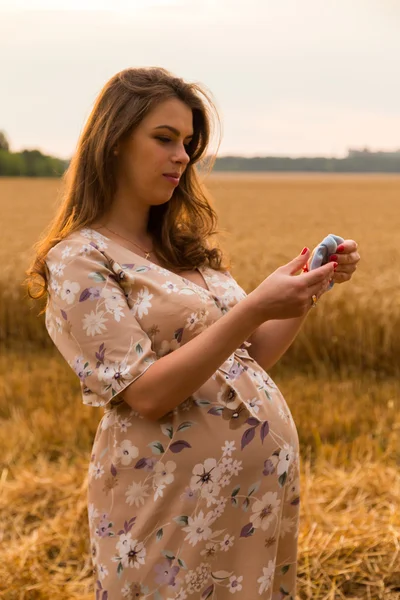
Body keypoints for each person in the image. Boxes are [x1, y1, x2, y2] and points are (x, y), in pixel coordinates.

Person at [26, 67, 360, 600]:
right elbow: (149, 394)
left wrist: (305, 288)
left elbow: (247, 362)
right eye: (164, 139)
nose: (182, 155)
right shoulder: (79, 259)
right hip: (168, 508)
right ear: (112, 143)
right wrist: (253, 309)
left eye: (187, 142)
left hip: (251, 509)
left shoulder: (187, 252)